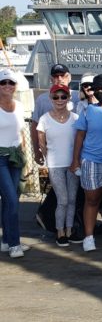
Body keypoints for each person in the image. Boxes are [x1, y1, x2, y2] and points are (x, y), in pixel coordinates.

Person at [70, 74, 102, 252]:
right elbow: (80, 136)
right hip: (91, 160)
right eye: (97, 89)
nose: (100, 92)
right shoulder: (88, 110)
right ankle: (88, 236)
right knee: (91, 200)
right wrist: (75, 160)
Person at [38, 84, 80, 247]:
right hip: (55, 165)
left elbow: (80, 141)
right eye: (56, 97)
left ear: (69, 98)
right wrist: (45, 156)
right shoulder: (44, 119)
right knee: (62, 200)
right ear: (51, 98)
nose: (60, 100)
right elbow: (41, 140)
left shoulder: (76, 118)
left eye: (63, 97)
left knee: (72, 199)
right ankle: (59, 231)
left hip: (72, 164)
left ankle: (69, 230)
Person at [0, 70, 29, 258]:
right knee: (11, 201)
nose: (8, 86)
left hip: (16, 156)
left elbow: (21, 133)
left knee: (10, 201)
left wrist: (25, 156)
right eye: (3, 83)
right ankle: (14, 244)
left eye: (11, 83)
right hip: (0, 157)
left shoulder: (18, 106)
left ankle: (5, 241)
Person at [31, 63, 79, 166]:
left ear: (69, 77)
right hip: (54, 158)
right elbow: (35, 126)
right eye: (56, 76)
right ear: (51, 79)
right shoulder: (42, 99)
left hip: (77, 154)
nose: (60, 78)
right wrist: (36, 151)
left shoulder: (78, 96)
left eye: (63, 75)